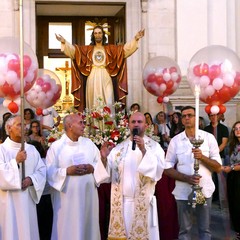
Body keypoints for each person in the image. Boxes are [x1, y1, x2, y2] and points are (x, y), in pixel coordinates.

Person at [94, 111, 165, 240]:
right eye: (133, 122)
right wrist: (103, 159)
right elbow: (105, 176)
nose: (136, 125)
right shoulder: (118, 149)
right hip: (122, 204)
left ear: (146, 126)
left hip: (144, 205)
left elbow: (157, 172)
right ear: (128, 125)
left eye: (139, 122)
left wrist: (143, 150)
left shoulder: (154, 147)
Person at [164, 106, 222, 240]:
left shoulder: (208, 138)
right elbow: (167, 168)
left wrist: (202, 157)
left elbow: (218, 167)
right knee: (184, 231)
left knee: (205, 230)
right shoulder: (175, 141)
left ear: (197, 118)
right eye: (184, 116)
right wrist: (186, 178)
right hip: (183, 192)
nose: (187, 118)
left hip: (205, 190)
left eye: (190, 115)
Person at [55, 26, 145, 112]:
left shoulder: (110, 49)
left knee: (109, 100)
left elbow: (124, 50)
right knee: (94, 101)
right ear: (93, 35)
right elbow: (75, 52)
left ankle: (109, 123)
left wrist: (135, 39)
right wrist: (64, 42)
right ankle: (94, 125)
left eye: (99, 33)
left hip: (105, 75)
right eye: (95, 33)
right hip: (92, 76)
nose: (98, 35)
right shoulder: (87, 49)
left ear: (103, 34)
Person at [46, 113, 101, 240]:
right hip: (67, 198)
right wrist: (66, 171)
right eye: (80, 123)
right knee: (69, 228)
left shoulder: (89, 144)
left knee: (88, 227)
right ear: (70, 126)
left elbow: (99, 164)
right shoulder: (56, 147)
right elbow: (49, 172)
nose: (84, 125)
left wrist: (92, 168)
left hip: (88, 196)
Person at [0, 115, 46, 240]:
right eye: (19, 125)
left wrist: (31, 180)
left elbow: (42, 170)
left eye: (24, 125)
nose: (24, 127)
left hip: (27, 201)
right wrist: (16, 161)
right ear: (9, 128)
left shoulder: (31, 149)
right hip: (8, 203)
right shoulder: (2, 150)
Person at [204, 113, 229, 208]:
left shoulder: (223, 128)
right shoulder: (206, 129)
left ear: (218, 116)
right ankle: (210, 199)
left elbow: (224, 143)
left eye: (215, 115)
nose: (213, 117)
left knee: (221, 179)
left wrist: (214, 153)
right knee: (210, 178)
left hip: (219, 157)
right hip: (207, 158)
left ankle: (223, 202)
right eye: (211, 116)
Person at [222, 121, 240, 239]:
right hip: (233, 177)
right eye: (235, 129)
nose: (238, 130)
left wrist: (232, 168)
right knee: (234, 205)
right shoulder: (233, 145)